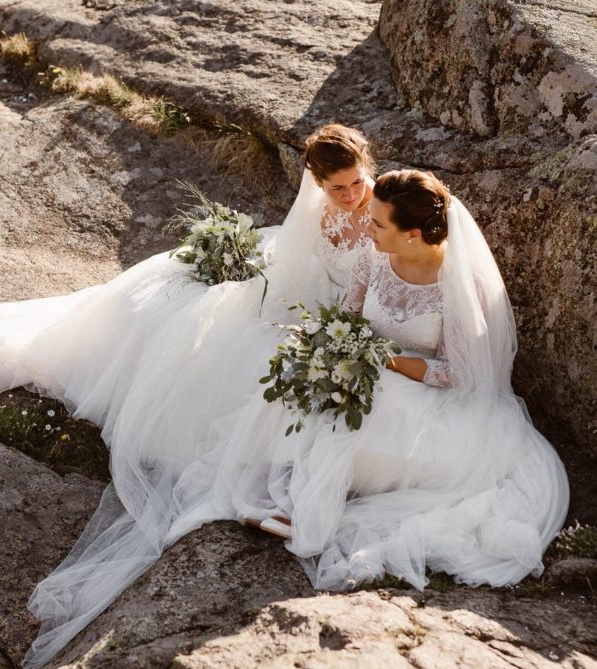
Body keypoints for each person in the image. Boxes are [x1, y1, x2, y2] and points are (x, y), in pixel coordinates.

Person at [0, 123, 377, 669]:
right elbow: (297, 281)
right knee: (211, 343)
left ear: (368, 167)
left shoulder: (384, 203)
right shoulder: (317, 216)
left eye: (356, 182)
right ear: (317, 184)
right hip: (312, 307)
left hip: (360, 315)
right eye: (338, 188)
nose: (350, 196)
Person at [169, 169, 570, 594]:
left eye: (378, 223)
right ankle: (287, 490)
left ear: (413, 233)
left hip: (426, 390)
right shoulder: (373, 255)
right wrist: (328, 347)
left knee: (370, 414)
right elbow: (349, 315)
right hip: (366, 362)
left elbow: (457, 372)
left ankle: (304, 505)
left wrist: (385, 360)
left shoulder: (458, 285)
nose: (368, 227)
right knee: (295, 386)